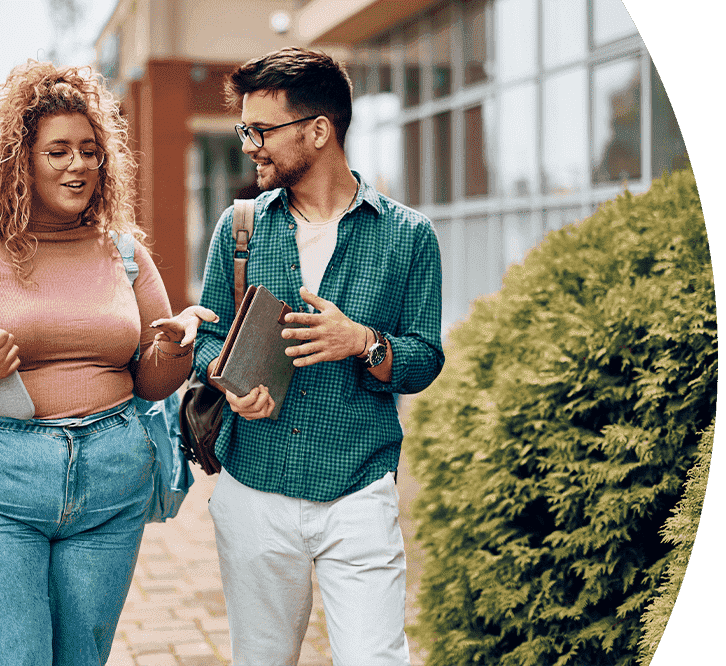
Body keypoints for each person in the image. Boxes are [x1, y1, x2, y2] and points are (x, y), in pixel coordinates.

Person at [0, 61, 214, 666]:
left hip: (110, 483)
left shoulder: (124, 251)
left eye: (89, 150)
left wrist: (173, 351)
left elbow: (150, 382)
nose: (78, 165)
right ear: (20, 160)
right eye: (57, 150)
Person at [192, 47, 445, 666]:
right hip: (254, 488)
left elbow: (424, 358)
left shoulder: (408, 236)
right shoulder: (240, 228)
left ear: (319, 131)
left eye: (263, 130)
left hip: (358, 491)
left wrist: (363, 342)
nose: (250, 144)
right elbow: (207, 339)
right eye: (245, 129)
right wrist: (226, 385)